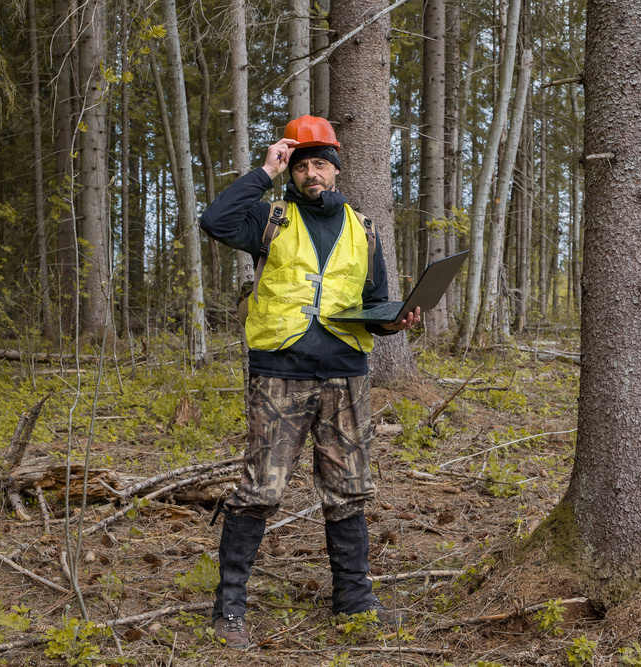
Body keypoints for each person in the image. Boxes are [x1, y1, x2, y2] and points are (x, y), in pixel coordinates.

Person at [199, 115, 419, 649]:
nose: (311, 172)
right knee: (260, 489)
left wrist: (396, 320)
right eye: (300, 165)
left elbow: (374, 303)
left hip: (346, 376)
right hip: (281, 374)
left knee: (348, 490)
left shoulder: (363, 228)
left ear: (336, 170)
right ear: (290, 171)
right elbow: (213, 221)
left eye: (320, 163)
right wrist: (264, 170)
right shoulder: (267, 217)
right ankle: (229, 609)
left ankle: (354, 600)